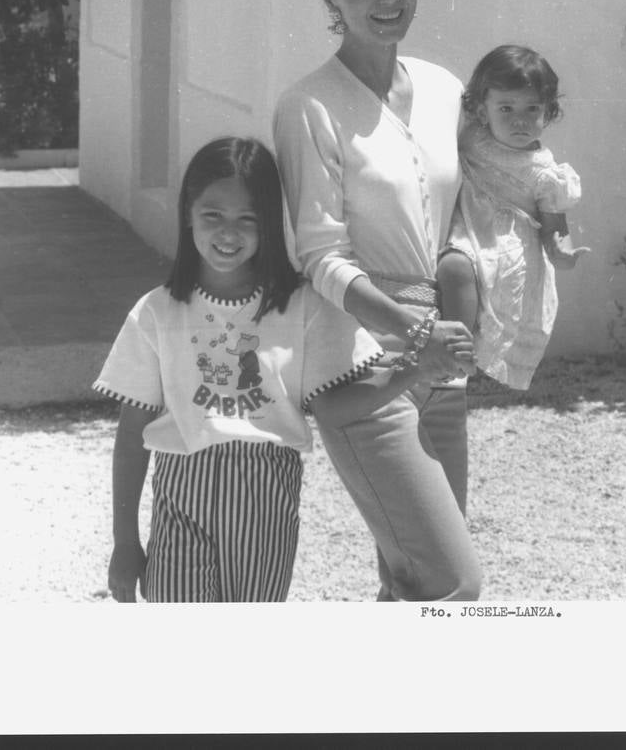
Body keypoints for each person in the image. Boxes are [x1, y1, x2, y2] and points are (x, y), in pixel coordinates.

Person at [94, 137, 474, 602]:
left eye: (246, 220)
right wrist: (125, 541)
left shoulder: (303, 308)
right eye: (212, 215)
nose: (227, 233)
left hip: (267, 498)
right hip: (180, 495)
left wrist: (411, 371)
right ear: (188, 212)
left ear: (269, 225)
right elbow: (132, 433)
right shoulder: (156, 312)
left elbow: (335, 409)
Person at [273, 0, 482, 601]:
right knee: (454, 583)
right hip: (367, 362)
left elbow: (468, 213)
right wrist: (413, 333)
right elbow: (320, 254)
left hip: (442, 361)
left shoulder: (448, 88)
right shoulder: (309, 105)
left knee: (411, 579)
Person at [437, 45, 590, 390]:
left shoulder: (546, 173)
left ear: (549, 112)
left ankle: (454, 358)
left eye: (532, 108)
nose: (519, 120)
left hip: (508, 243)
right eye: (505, 108)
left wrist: (562, 254)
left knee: (456, 268)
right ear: (481, 109)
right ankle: (452, 348)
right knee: (453, 269)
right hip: (468, 221)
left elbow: (555, 227)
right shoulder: (473, 137)